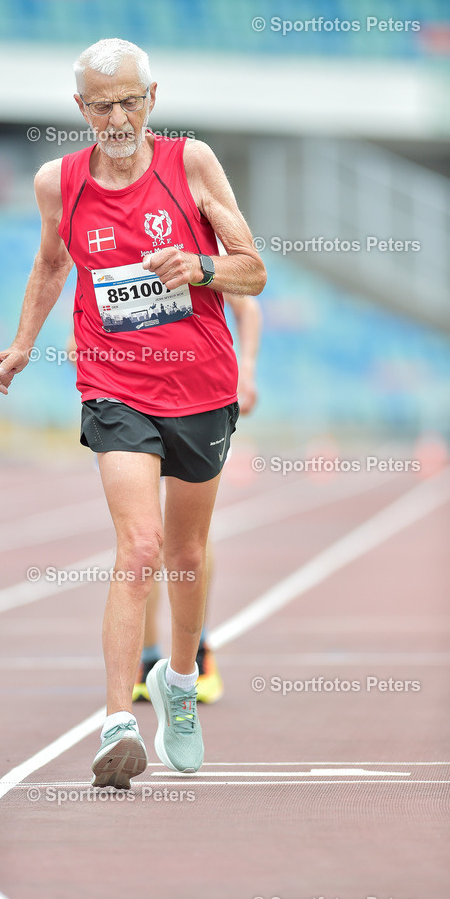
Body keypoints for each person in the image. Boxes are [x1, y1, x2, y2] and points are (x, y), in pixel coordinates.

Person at [0, 37, 266, 790]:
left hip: (201, 384)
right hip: (114, 386)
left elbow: (253, 271)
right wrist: (19, 347)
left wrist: (200, 265)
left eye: (128, 101)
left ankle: (178, 679)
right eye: (100, 105)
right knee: (137, 545)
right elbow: (50, 265)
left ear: (152, 100)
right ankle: (116, 721)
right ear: (79, 110)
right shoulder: (59, 183)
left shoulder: (191, 163)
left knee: (184, 554)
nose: (116, 117)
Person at [133, 292, 262, 705]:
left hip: (198, 400)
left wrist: (247, 372)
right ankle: (148, 659)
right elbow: (77, 338)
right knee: (142, 540)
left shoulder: (199, 235)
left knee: (187, 542)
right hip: (133, 403)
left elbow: (248, 305)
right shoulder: (115, 245)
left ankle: (198, 652)